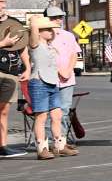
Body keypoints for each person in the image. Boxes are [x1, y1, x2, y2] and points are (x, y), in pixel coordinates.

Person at [26, 15, 76, 159]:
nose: (51, 32)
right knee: (41, 116)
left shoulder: (50, 46)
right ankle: (42, 149)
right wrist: (34, 22)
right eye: (47, 29)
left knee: (57, 115)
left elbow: (70, 54)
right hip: (39, 82)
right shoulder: (35, 45)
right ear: (39, 31)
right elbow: (34, 31)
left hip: (53, 83)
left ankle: (60, 146)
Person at [43, 6, 81, 142]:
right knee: (49, 112)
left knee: (64, 111)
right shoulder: (43, 36)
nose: (58, 20)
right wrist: (59, 71)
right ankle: (48, 141)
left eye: (60, 17)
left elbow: (74, 54)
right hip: (48, 79)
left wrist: (68, 71)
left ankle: (61, 141)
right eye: (54, 17)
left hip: (67, 80)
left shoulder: (68, 35)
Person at [0, 0, 29, 158]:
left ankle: (2, 146)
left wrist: (27, 68)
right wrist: (3, 43)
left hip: (10, 72)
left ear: (5, 3)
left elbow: (23, 46)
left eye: (1, 2)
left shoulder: (15, 23)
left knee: (4, 110)